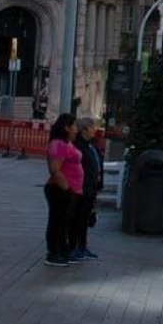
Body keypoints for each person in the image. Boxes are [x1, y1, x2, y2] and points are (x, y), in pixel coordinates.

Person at [43, 113, 83, 268]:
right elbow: (55, 169)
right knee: (57, 222)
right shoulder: (58, 144)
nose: (76, 130)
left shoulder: (67, 143)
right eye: (74, 126)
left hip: (70, 190)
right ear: (66, 127)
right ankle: (53, 253)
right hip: (60, 189)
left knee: (64, 222)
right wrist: (66, 189)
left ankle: (62, 250)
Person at [68, 122, 104, 261]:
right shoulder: (79, 146)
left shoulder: (91, 145)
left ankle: (82, 246)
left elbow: (97, 163)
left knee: (85, 218)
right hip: (82, 187)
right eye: (91, 127)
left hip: (91, 187)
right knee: (77, 217)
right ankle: (73, 247)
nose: (94, 130)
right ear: (84, 130)